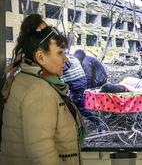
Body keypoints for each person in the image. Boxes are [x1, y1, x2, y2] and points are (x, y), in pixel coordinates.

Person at [0, 14, 83, 164]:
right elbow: (43, 156)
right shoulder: (40, 90)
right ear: (40, 57)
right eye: (60, 53)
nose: (66, 59)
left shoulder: (26, 77)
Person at [60, 54, 101, 131]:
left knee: (78, 107)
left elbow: (63, 69)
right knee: (72, 103)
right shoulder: (72, 57)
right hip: (79, 83)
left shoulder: (63, 60)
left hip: (77, 85)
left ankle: (97, 121)